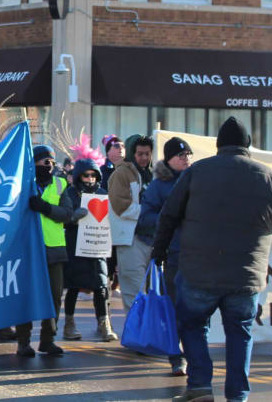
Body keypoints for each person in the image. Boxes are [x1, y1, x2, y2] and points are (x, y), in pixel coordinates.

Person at [152, 117, 272, 402]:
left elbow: (169, 214)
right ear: (248, 145)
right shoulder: (269, 176)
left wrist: (159, 251)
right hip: (246, 274)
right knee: (240, 333)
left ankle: (200, 385)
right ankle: (237, 395)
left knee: (192, 325)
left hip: (198, 270)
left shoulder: (197, 172)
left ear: (219, 145)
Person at [18, 145, 83, 357]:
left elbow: (67, 214)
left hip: (54, 249)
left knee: (54, 296)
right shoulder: (22, 185)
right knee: (26, 296)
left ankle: (47, 340)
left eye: (52, 162)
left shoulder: (60, 184)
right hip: (29, 248)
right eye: (45, 161)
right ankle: (23, 341)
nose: (50, 165)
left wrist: (44, 207)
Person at [137, 137, 192, 376]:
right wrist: (170, 218)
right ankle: (176, 356)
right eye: (180, 155)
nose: (186, 159)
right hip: (173, 255)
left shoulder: (198, 180)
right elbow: (145, 217)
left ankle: (194, 354)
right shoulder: (159, 186)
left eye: (188, 155)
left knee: (196, 310)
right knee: (175, 308)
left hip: (199, 255)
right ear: (168, 160)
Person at [61, 159, 115, 343]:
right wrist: (72, 218)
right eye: (86, 175)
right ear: (78, 176)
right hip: (75, 246)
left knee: (101, 286)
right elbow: (62, 217)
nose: (90, 179)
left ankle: (104, 323)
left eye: (93, 175)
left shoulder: (102, 194)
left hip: (96, 247)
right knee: (73, 287)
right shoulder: (69, 193)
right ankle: (69, 323)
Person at [109, 134, 153, 310]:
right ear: (131, 153)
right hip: (130, 240)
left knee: (152, 294)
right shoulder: (121, 173)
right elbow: (121, 206)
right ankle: (136, 336)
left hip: (152, 239)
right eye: (140, 153)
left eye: (147, 153)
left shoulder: (153, 173)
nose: (144, 158)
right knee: (134, 295)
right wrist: (149, 212)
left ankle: (147, 334)